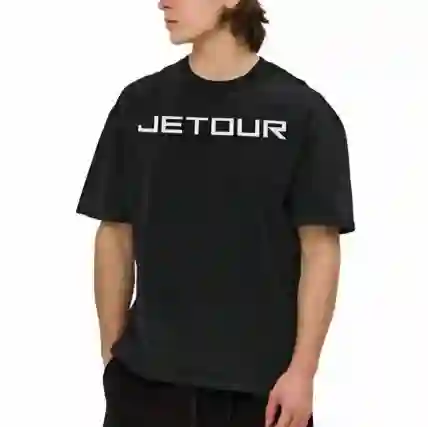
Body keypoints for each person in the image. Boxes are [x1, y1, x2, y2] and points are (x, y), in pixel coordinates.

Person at [76, 0, 355, 426]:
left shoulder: (302, 114)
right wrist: (113, 358)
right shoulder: (140, 105)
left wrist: (302, 372)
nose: (163, 1)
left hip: (261, 391)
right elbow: (115, 231)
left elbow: (320, 249)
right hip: (145, 383)